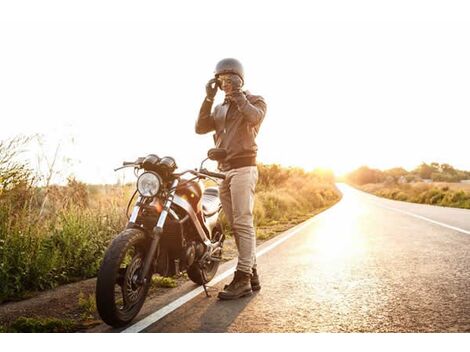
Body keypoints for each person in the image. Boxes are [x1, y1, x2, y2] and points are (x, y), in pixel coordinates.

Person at [195, 58, 267, 300]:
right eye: (220, 80)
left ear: (239, 79)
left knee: (243, 222)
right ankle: (252, 274)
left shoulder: (254, 100)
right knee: (236, 226)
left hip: (244, 168)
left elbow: (255, 117)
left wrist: (238, 94)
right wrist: (208, 98)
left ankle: (243, 278)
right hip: (223, 171)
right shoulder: (219, 108)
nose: (224, 83)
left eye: (229, 79)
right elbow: (200, 127)